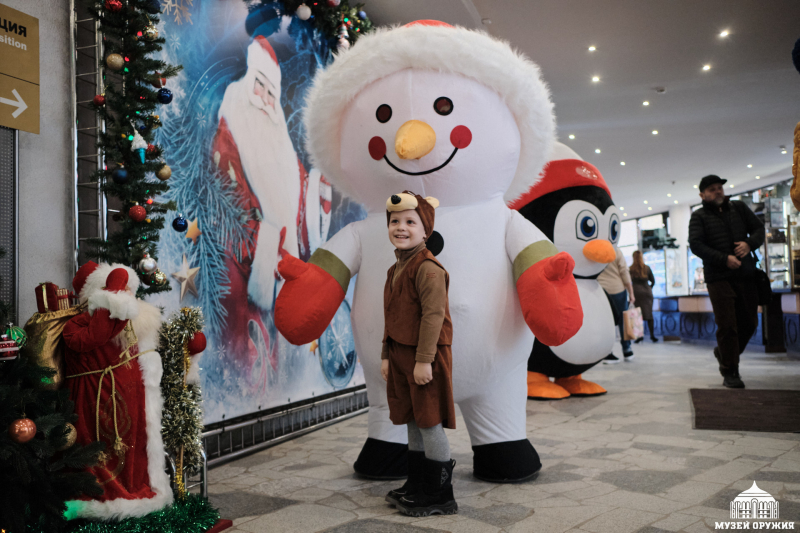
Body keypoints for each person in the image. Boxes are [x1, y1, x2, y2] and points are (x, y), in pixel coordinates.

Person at [212, 35, 331, 378]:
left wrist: (318, 188)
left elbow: (299, 194)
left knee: (272, 349)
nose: (264, 99)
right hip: (244, 262)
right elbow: (231, 193)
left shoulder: (281, 146)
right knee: (245, 349)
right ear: (249, 82)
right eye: (259, 86)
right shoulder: (231, 127)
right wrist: (266, 245)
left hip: (277, 267)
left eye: (270, 93)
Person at [63, 262, 172, 519]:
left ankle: (128, 492)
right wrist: (110, 300)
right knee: (99, 449)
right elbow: (94, 337)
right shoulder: (77, 324)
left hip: (129, 397)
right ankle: (103, 500)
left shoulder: (132, 320)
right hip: (94, 398)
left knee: (129, 449)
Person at [381, 192, 457, 517]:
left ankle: (440, 494)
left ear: (425, 229)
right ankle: (418, 483)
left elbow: (433, 316)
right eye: (395, 221)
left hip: (424, 356)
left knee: (428, 422)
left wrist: (424, 360)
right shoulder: (395, 267)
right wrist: (386, 354)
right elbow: (391, 314)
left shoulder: (428, 269)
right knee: (412, 419)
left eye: (410, 221)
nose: (401, 227)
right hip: (400, 354)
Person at [688, 174, 765, 388]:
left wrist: (749, 244)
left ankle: (723, 353)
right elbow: (696, 244)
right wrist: (724, 259)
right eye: (711, 189)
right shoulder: (699, 216)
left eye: (719, 187)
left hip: (746, 275)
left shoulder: (739, 208)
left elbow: (759, 229)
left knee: (750, 323)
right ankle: (730, 371)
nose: (717, 191)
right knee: (728, 325)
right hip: (718, 277)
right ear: (702, 195)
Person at [599, 245, 635, 363]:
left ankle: (607, 352)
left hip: (601, 290)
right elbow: (624, 272)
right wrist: (631, 293)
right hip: (618, 290)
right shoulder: (616, 250)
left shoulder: (596, 250)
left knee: (606, 323)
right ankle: (627, 350)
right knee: (623, 321)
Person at [630, 250, 658, 343]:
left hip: (636, 293)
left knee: (638, 315)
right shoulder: (647, 268)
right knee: (649, 314)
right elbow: (653, 281)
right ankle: (652, 336)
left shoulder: (631, 269)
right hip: (647, 293)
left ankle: (639, 336)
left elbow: (628, 282)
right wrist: (649, 288)